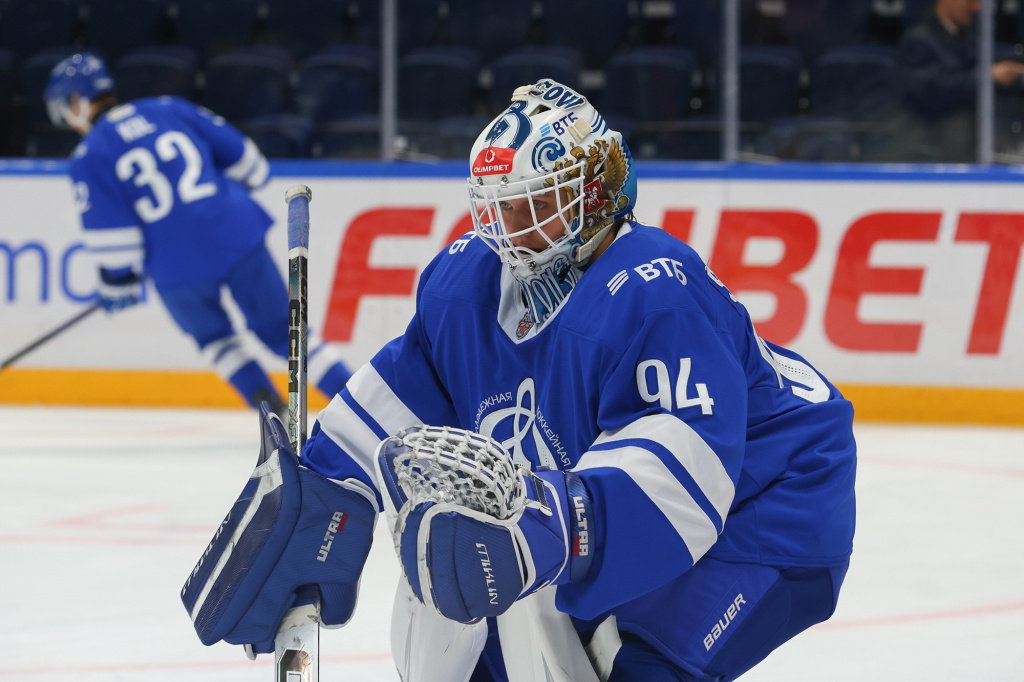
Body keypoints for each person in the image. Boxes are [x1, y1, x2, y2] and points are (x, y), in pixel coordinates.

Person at [182, 79, 856, 682]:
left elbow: (687, 476)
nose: (512, 232)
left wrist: (557, 522)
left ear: (596, 190)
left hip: (771, 504)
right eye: (500, 208)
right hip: (635, 505)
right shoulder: (467, 283)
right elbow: (396, 395)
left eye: (538, 205)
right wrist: (317, 490)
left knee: (637, 660)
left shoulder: (657, 289)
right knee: (484, 638)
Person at [44, 53, 351, 413]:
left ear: (76, 103)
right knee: (289, 334)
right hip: (236, 234)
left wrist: (117, 282)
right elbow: (253, 168)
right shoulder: (169, 108)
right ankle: (362, 404)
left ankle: (275, 417)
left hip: (177, 265)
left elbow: (116, 248)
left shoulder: (89, 155)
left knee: (216, 341)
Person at [893, 0, 1024, 161]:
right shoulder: (918, 41)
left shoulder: (968, 38)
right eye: (970, 1)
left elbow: (990, 65)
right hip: (932, 142)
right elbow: (931, 94)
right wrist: (987, 76)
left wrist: (1010, 73)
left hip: (972, 142)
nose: (976, 8)